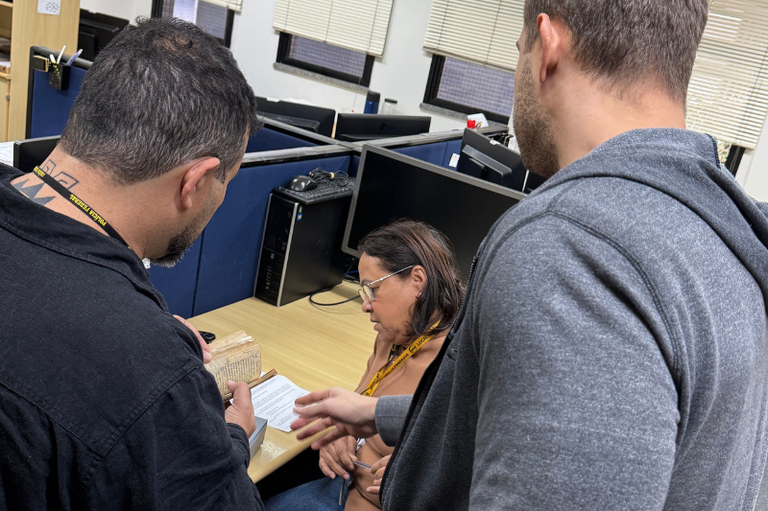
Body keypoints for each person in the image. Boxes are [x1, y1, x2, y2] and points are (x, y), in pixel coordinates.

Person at [290, 0, 768, 509]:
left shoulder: (570, 250)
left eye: (518, 52)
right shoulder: (723, 230)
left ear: (547, 47)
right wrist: (378, 414)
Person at [0, 18, 265, 509]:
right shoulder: (148, 374)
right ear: (197, 180)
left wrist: (131, 325)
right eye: (226, 180)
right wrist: (232, 438)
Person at [266, 219, 465, 511]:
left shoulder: (456, 364)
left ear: (417, 281)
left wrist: (420, 482)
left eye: (372, 289)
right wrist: (341, 435)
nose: (366, 305)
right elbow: (363, 403)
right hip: (341, 488)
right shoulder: (394, 334)